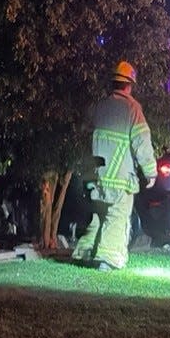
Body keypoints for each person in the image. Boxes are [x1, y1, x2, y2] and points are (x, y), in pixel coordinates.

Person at [72, 60, 157, 271]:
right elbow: (142, 143)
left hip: (97, 177)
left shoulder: (99, 107)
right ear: (129, 85)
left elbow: (83, 130)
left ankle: (83, 253)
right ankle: (108, 260)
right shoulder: (133, 109)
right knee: (117, 218)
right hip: (120, 178)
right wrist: (150, 172)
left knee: (98, 217)